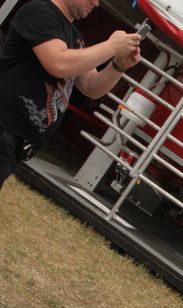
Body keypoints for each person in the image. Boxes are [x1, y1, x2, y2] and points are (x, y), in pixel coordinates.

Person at [0, 0, 143, 189]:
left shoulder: (75, 38)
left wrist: (119, 65)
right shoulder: (40, 11)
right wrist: (112, 46)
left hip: (17, 141)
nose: (96, 3)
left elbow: (91, 87)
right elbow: (59, 63)